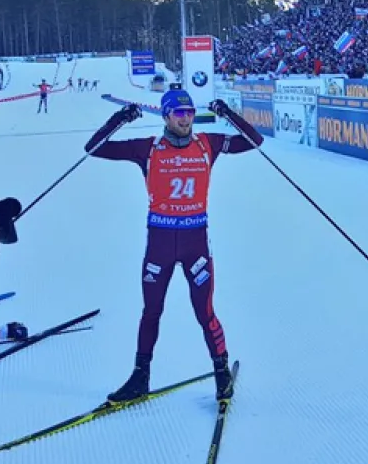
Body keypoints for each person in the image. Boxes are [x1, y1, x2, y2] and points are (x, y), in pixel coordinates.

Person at [83, 89, 263, 403]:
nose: (186, 119)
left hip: (195, 244)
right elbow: (94, 148)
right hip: (160, 246)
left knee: (204, 312)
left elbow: (254, 141)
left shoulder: (208, 144)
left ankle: (221, 374)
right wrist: (120, 118)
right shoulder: (148, 149)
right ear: (166, 116)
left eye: (190, 113)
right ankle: (140, 377)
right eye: (179, 113)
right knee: (151, 311)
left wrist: (228, 114)